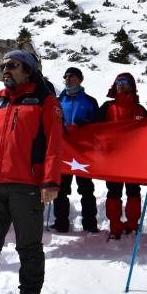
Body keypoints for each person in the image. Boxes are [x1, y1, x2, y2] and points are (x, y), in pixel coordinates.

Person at [0, 50, 62, 294]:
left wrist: (50, 180)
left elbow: (54, 143)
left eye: (13, 65)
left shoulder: (44, 100)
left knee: (29, 249)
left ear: (28, 70)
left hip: (27, 186)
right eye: (4, 65)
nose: (6, 69)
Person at [98, 72, 147, 240]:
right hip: (113, 158)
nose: (120, 84)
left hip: (133, 160)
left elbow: (146, 136)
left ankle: (133, 224)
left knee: (133, 191)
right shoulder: (107, 107)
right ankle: (115, 226)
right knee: (114, 191)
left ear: (132, 85)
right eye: (118, 81)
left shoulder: (140, 109)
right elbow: (96, 128)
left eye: (124, 81)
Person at [53, 66, 100, 233]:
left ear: (80, 80)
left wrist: (87, 126)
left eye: (72, 77)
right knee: (60, 189)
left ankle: (90, 223)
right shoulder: (57, 101)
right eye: (66, 76)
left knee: (86, 189)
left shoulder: (90, 101)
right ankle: (61, 223)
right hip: (63, 151)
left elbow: (99, 127)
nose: (68, 79)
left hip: (83, 153)